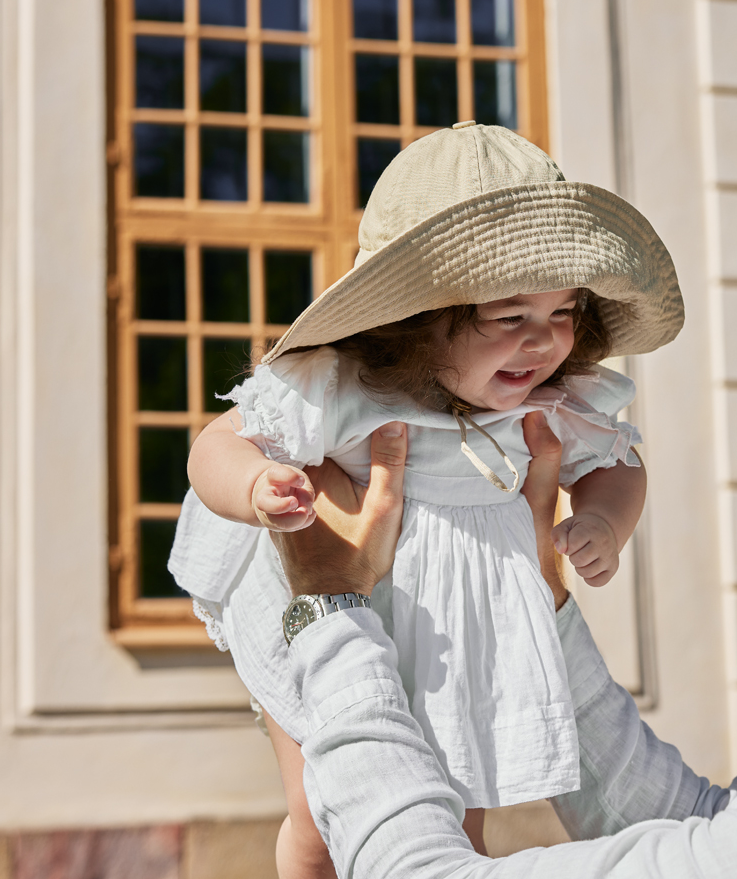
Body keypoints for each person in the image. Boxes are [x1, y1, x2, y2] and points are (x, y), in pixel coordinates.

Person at [171, 123, 685, 878]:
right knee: (320, 812)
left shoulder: (553, 403)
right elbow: (215, 445)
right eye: (509, 318)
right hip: (328, 608)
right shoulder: (346, 389)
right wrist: (253, 485)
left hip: (461, 633)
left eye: (563, 314)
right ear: (416, 323)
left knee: (452, 823)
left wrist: (604, 519)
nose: (542, 341)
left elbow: (619, 464)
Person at [277, 418, 737, 878]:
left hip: (369, 612)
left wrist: (328, 606)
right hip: (388, 601)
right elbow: (708, 823)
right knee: (313, 822)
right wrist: (539, 593)